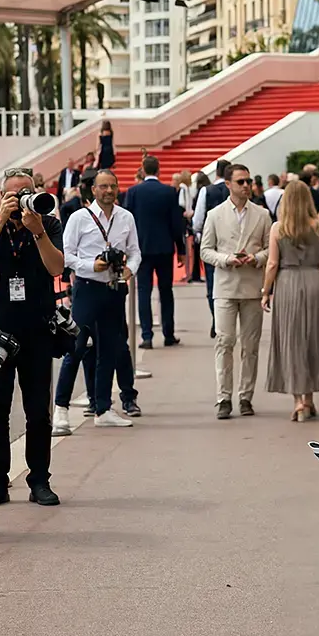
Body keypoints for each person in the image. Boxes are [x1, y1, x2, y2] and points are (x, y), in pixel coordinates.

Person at [0, 168, 65, 508]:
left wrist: (38, 231)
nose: (20, 200)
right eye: (13, 194)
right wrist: (1, 216)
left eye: (26, 192)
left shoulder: (48, 223)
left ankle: (39, 479)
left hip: (36, 329)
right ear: (1, 196)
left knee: (37, 411)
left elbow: (57, 268)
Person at [54, 169, 140, 431]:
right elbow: (65, 255)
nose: (109, 191)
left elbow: (135, 251)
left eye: (112, 186)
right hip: (87, 288)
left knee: (110, 350)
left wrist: (129, 269)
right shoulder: (79, 218)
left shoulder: (126, 217)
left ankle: (103, 408)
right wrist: (92, 266)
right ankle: (61, 409)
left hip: (114, 289)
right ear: (93, 190)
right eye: (103, 186)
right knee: (76, 348)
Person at [200, 163, 271, 419]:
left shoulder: (262, 214)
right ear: (228, 184)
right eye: (240, 181)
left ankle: (246, 396)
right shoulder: (215, 214)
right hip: (225, 287)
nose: (245, 186)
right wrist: (226, 259)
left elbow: (270, 248)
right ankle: (223, 398)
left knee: (250, 346)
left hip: (252, 287)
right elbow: (205, 250)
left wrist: (257, 258)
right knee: (224, 341)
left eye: (248, 181)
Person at [262, 179, 319, 422]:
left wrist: (265, 290)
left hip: (287, 282)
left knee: (291, 340)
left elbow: (272, 263)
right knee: (314, 339)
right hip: (314, 281)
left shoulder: (277, 228)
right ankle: (311, 398)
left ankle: (298, 401)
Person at [124, 155, 184, 349]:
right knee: (166, 291)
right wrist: (181, 249)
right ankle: (168, 333)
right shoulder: (169, 192)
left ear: (143, 170)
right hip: (165, 248)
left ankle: (147, 336)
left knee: (143, 291)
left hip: (141, 249)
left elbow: (126, 222)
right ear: (158, 170)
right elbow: (176, 223)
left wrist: (126, 248)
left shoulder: (133, 192)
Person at [193, 159, 231, 338]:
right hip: (231, 243)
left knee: (212, 284)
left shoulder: (206, 191)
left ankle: (217, 318)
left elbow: (198, 218)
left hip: (213, 242)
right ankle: (225, 319)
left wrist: (199, 233)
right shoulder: (233, 190)